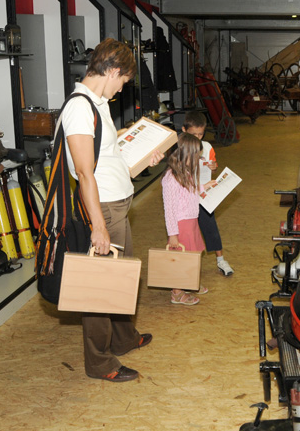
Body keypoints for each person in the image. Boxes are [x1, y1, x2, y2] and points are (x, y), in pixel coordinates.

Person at [62, 38, 163, 382]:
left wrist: (141, 154)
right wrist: (98, 226)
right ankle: (100, 363)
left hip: (116, 205)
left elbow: (106, 154)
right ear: (112, 71)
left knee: (122, 278)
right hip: (102, 209)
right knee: (101, 289)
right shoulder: (79, 108)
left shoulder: (98, 102)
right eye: (123, 81)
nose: (122, 88)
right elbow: (84, 173)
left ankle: (123, 338)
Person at [161, 133, 216, 305]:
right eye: (196, 156)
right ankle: (177, 292)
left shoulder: (184, 172)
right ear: (185, 154)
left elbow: (189, 192)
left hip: (191, 221)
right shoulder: (170, 178)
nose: (198, 160)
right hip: (180, 225)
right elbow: (169, 209)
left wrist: (204, 187)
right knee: (181, 259)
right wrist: (173, 234)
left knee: (192, 254)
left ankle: (189, 283)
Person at [181, 111, 234, 276]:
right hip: (186, 196)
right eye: (193, 134)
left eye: (200, 134)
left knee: (211, 227)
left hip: (204, 196)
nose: (197, 138)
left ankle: (221, 260)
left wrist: (214, 167)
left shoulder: (207, 147)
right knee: (187, 231)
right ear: (184, 130)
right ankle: (185, 262)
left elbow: (213, 164)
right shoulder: (180, 149)